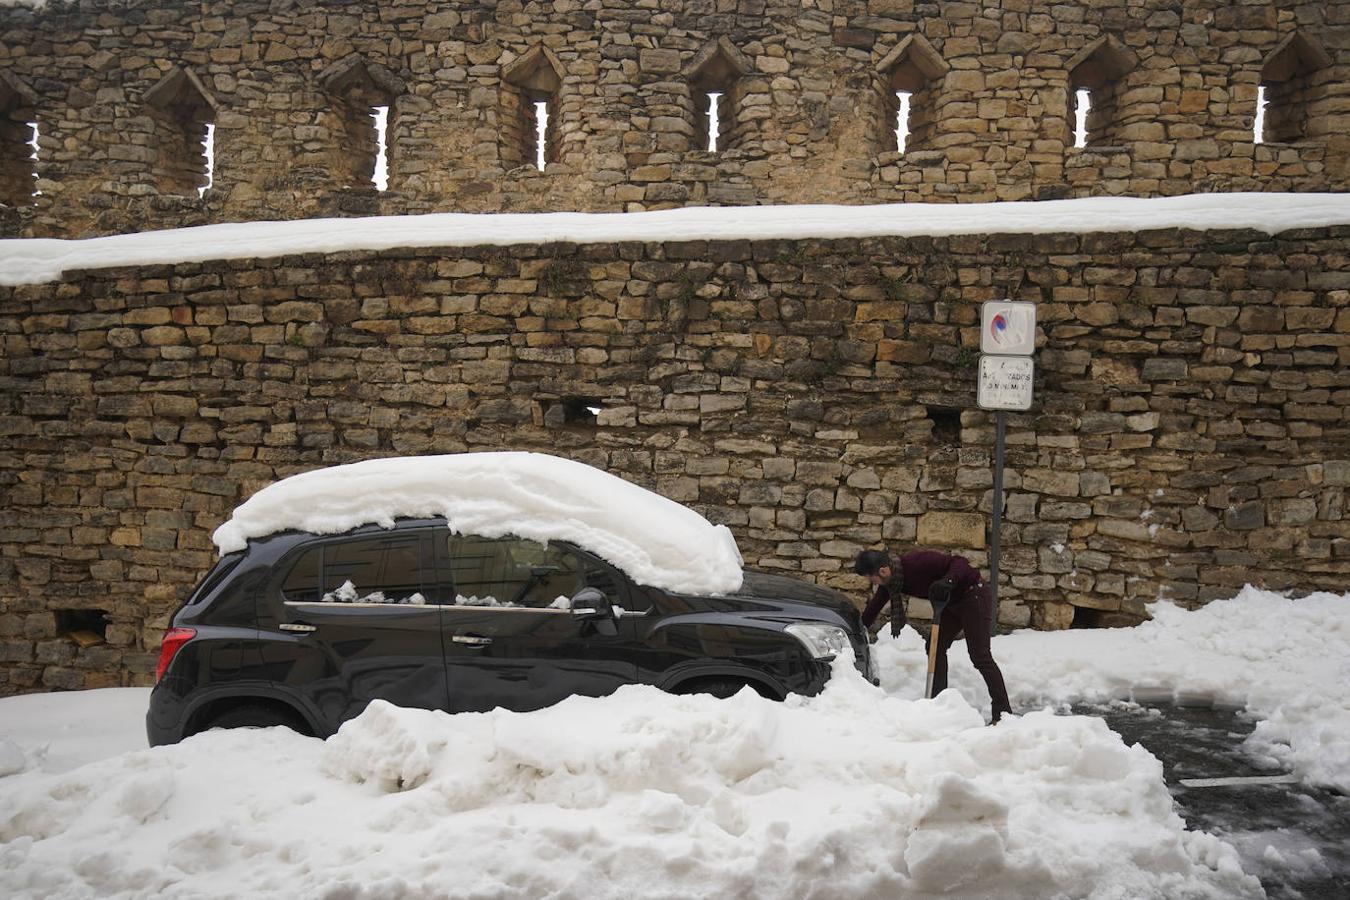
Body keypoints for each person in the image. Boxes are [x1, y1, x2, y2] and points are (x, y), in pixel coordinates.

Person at [853, 548, 1012, 724]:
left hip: (973, 596)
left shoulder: (917, 562)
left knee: (980, 655)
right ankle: (939, 701)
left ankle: (1003, 712)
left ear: (883, 570)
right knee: (935, 648)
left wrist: (948, 580)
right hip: (950, 604)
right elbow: (874, 607)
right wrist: (856, 629)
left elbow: (959, 562)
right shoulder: (892, 583)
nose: (872, 582)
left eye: (870, 577)